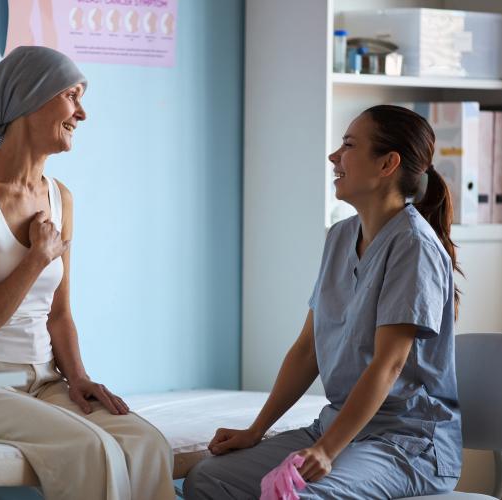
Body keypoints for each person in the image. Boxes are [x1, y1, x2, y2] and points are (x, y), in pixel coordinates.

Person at [0, 46, 175, 500]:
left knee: (146, 444)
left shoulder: (60, 198)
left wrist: (78, 377)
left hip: (42, 380)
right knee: (90, 449)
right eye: (72, 95)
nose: (81, 113)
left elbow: (59, 314)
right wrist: (36, 259)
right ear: (30, 99)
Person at [184, 105, 463, 499]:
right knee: (209, 479)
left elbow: (390, 363)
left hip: (406, 444)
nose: (334, 156)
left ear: (388, 164)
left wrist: (327, 451)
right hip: (337, 427)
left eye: (348, 145)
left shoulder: (413, 246)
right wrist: (256, 431)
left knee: (295, 495)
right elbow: (306, 351)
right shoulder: (340, 237)